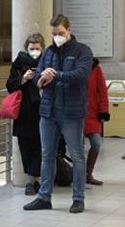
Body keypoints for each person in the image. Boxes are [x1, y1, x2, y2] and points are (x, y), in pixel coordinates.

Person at [25, 14, 93, 214]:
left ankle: (78, 198)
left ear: (69, 30)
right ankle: (44, 196)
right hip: (48, 111)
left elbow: (81, 75)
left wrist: (55, 75)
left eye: (60, 33)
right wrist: (40, 79)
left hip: (72, 112)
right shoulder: (48, 53)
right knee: (47, 155)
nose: (57, 37)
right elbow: (38, 74)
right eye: (54, 34)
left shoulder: (82, 51)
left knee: (77, 156)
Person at [7, 33, 44, 196]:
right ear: (26, 48)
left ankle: (35, 180)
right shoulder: (19, 64)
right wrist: (23, 78)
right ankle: (31, 179)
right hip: (23, 113)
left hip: (42, 111)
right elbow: (10, 86)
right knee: (25, 148)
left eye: (37, 48)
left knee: (40, 147)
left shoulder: (47, 63)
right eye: (31, 48)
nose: (34, 51)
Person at [84, 58, 109, 185]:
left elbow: (102, 90)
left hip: (92, 114)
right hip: (74, 113)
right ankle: (77, 174)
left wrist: (103, 110)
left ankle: (88, 173)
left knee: (96, 143)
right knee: (74, 148)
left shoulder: (96, 69)